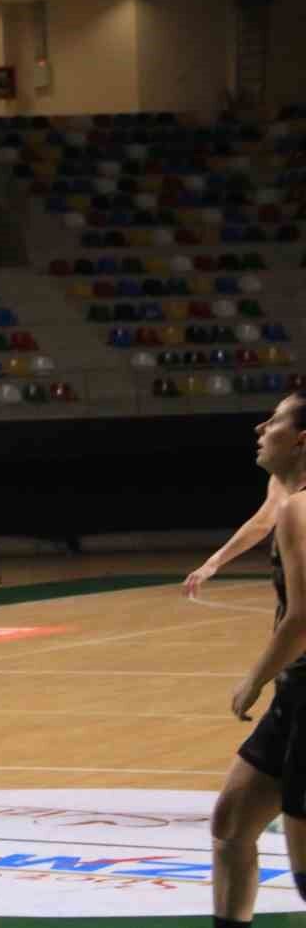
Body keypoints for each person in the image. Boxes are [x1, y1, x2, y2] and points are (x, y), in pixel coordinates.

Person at [211, 393, 306, 928]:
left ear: (301, 440)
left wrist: (252, 679)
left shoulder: (300, 507)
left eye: (274, 420)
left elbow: (301, 619)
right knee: (232, 823)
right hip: (294, 697)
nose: (260, 426)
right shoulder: (288, 500)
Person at [185, 476, 290, 598]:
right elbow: (261, 524)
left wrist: (213, 563)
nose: (258, 455)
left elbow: (262, 524)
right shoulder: (285, 475)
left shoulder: (289, 472)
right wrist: (212, 563)